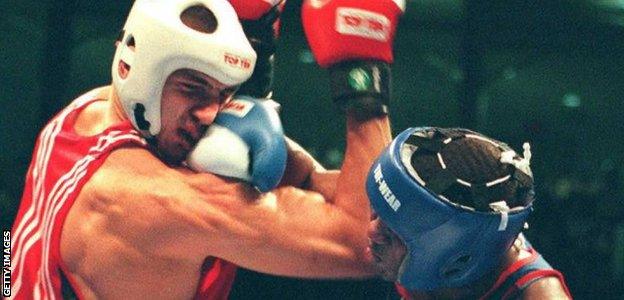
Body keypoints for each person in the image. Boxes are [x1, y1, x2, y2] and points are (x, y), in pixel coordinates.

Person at [8, 0, 404, 299]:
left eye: (224, 91)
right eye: (193, 87)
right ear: (135, 67)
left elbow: (317, 184)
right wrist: (361, 75)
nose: (210, 112)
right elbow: (366, 242)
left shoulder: (89, 111)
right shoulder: (155, 201)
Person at [365, 127, 573, 299]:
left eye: (392, 234)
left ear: (456, 259)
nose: (371, 231)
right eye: (376, 211)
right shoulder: (416, 249)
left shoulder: (538, 296)